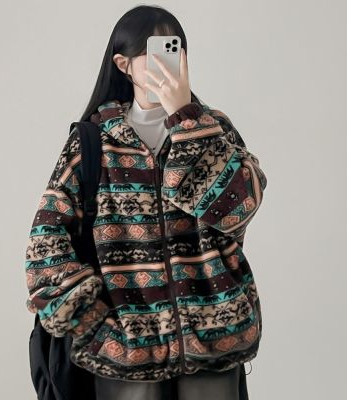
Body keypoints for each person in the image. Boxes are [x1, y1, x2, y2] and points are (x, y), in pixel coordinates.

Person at [24, 5, 267, 400]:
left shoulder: (212, 129)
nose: (166, 66)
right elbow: (45, 243)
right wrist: (93, 323)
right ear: (124, 64)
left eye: (174, 51)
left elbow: (239, 208)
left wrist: (186, 120)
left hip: (215, 341)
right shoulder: (93, 142)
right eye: (153, 54)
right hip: (126, 350)